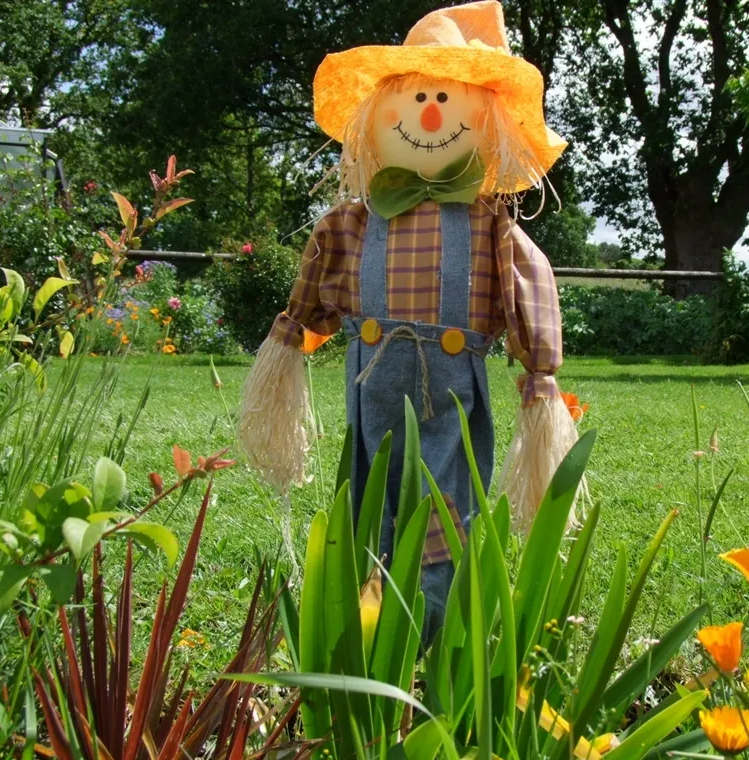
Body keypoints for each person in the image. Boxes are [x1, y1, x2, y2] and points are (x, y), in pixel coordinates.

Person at [238, 0, 577, 643]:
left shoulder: (492, 227)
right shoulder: (350, 222)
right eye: (416, 99)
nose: (430, 116)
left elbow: (528, 293)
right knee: (369, 492)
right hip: (369, 389)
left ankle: (433, 625)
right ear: (376, 119)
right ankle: (369, 622)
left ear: (487, 121)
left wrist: (541, 380)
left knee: (443, 499)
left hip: (450, 394)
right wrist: (286, 350)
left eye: (445, 100)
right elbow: (307, 302)